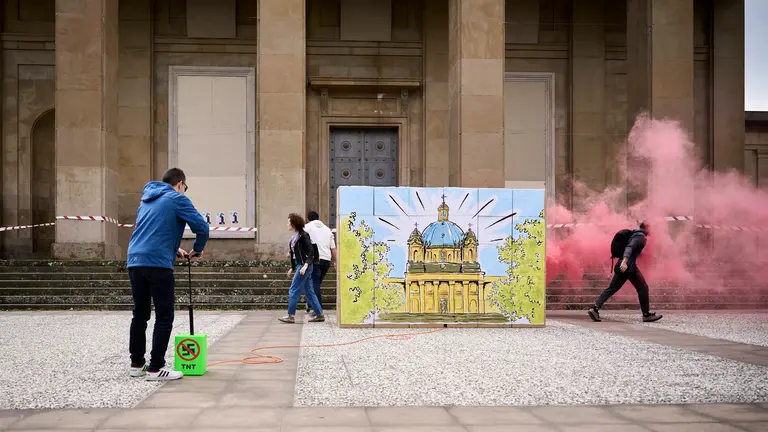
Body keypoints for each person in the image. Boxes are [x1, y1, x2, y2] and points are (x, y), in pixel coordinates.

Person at [127, 168, 210, 381]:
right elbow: (202, 227)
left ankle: (137, 364)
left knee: (140, 314)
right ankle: (156, 368)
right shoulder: (176, 199)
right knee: (164, 315)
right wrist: (197, 249)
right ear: (180, 183)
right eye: (185, 188)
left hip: (135, 260)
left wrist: (174, 249)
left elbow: (152, 231)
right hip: (158, 263)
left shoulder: (146, 200)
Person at [588, 221, 662, 323]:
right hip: (628, 267)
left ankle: (595, 309)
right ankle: (646, 315)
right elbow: (630, 247)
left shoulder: (634, 233)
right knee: (643, 287)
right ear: (647, 228)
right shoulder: (640, 236)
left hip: (622, 266)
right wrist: (625, 261)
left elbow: (633, 249)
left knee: (612, 288)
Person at [279, 213, 325, 324]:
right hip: (301, 266)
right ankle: (319, 314)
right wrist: (292, 267)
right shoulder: (294, 237)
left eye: (289, 222)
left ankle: (291, 315)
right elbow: (296, 255)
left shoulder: (304, 235)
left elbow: (311, 251)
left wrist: (305, 266)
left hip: (304, 267)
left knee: (293, 290)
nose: (287, 224)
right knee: (309, 292)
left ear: (294, 223)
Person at [303, 210, 337, 314]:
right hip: (326, 260)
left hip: (315, 259)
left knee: (314, 283)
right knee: (316, 283)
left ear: (308, 218)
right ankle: (310, 303)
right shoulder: (327, 230)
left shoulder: (306, 227)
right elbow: (334, 248)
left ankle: (318, 310)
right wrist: (335, 261)